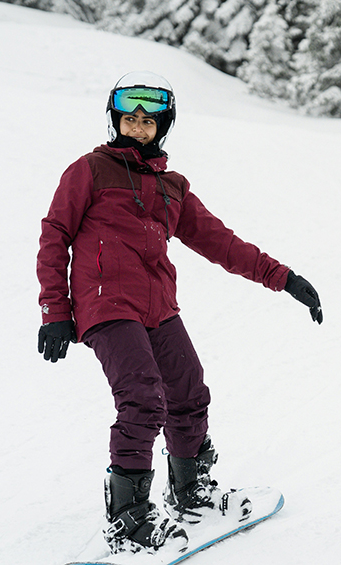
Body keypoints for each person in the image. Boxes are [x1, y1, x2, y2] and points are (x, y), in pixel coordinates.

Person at [35, 71, 323, 554]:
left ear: (163, 126)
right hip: (106, 302)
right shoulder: (90, 170)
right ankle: (127, 519)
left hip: (159, 306)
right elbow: (54, 235)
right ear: (116, 120)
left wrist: (285, 278)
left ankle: (190, 494)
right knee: (144, 399)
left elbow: (222, 243)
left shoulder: (173, 187)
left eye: (149, 121)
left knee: (188, 391)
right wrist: (54, 311)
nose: (139, 126)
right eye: (130, 118)